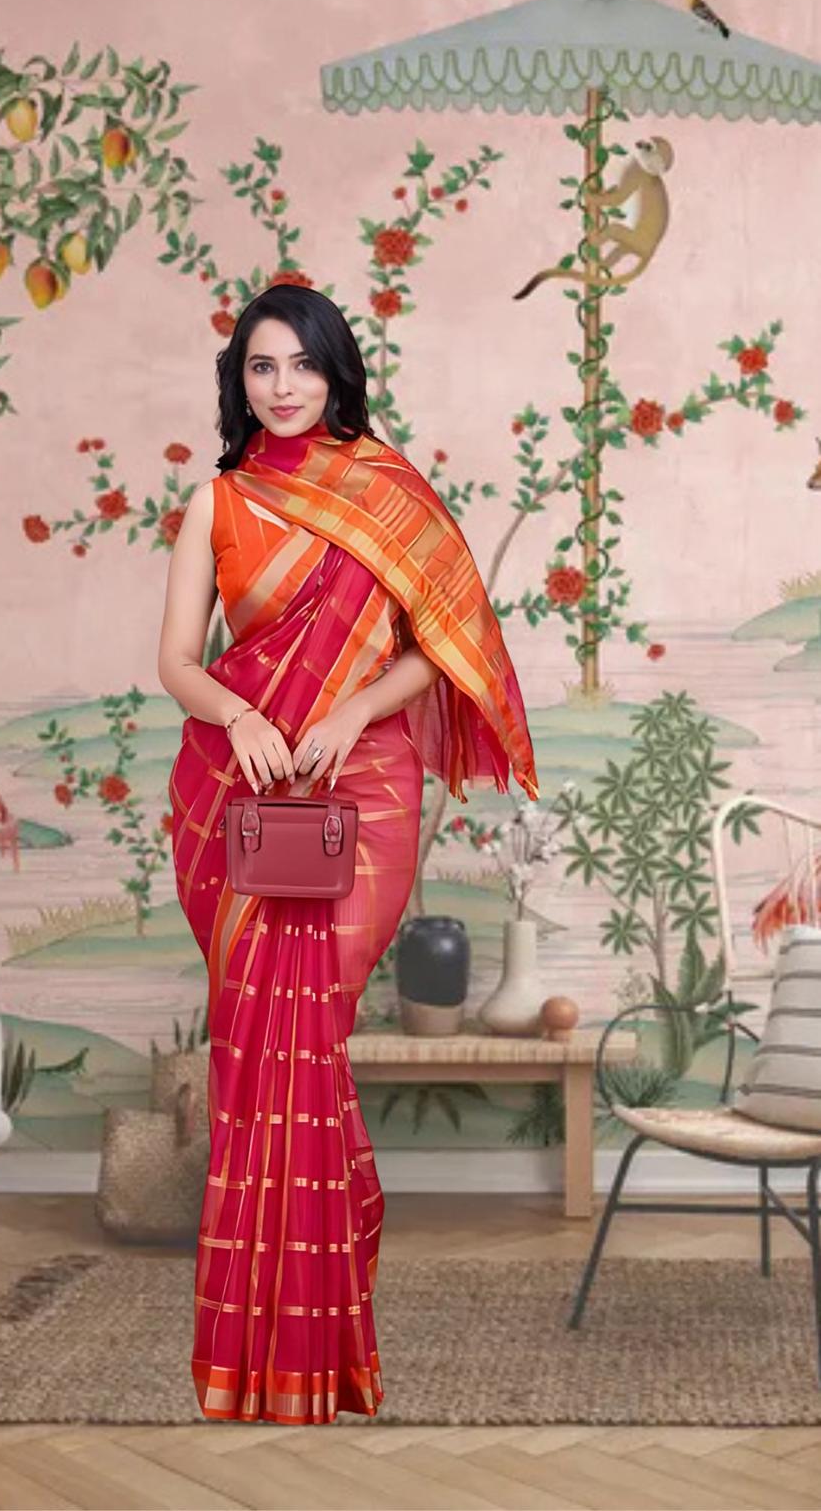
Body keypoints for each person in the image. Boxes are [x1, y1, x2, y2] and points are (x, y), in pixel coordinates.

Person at [157, 284, 538, 1424]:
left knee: (304, 1028)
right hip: (239, 784)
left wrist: (347, 709)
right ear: (241, 383)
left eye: (301, 366)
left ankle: (325, 1301)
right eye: (261, 369)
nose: (282, 388)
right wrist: (244, 716)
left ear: (336, 371)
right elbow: (177, 659)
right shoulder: (216, 501)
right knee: (265, 1049)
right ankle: (279, 1347)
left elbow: (445, 644)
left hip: (363, 783)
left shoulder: (388, 495)